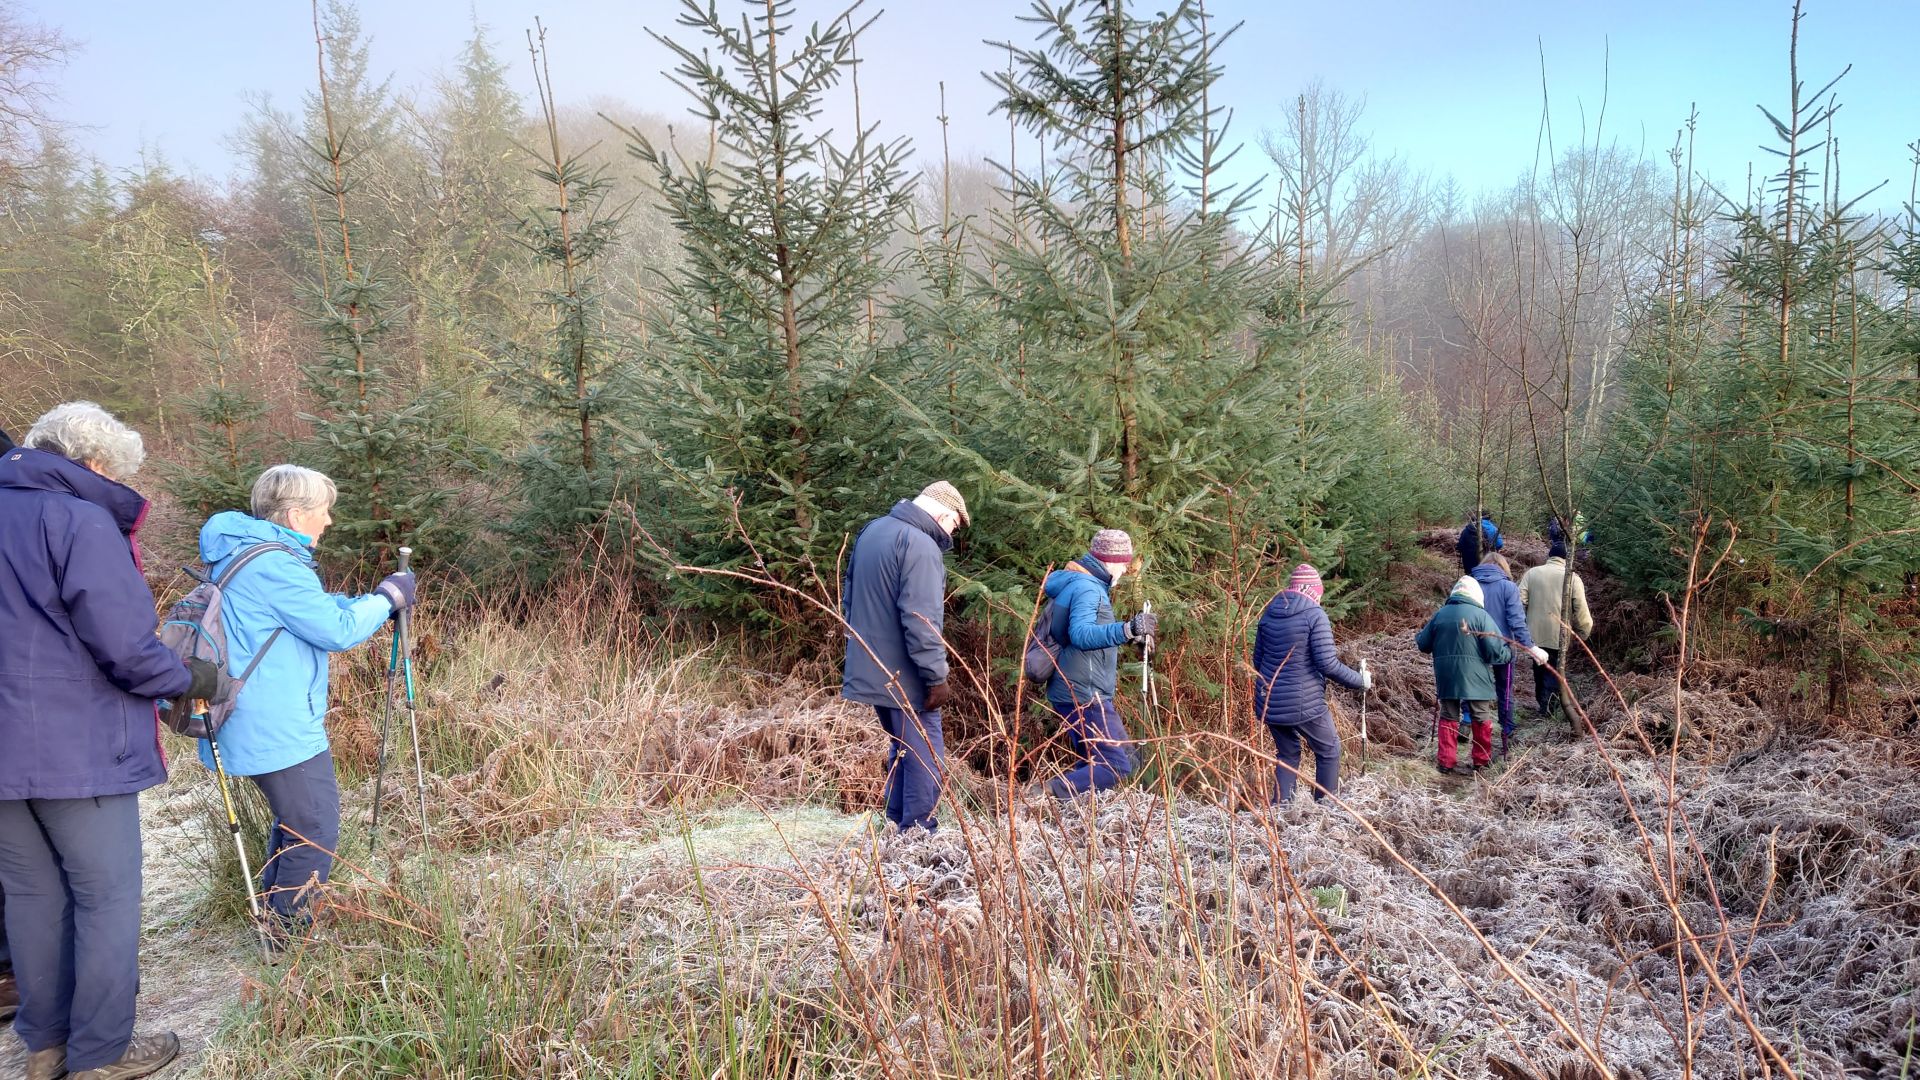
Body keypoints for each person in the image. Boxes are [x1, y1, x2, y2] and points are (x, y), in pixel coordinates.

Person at [0, 403, 220, 1080]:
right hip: (77, 750)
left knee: (33, 901)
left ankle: (46, 1046)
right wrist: (187, 675)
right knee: (106, 897)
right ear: (92, 464)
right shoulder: (78, 519)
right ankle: (101, 1052)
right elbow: (123, 645)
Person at [195, 465, 417, 933]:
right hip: (274, 725)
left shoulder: (247, 551)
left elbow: (299, 614)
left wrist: (361, 601)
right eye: (324, 511)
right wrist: (387, 598)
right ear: (296, 516)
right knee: (314, 827)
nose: (330, 521)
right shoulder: (274, 564)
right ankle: (288, 937)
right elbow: (335, 631)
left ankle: (277, 922)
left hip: (251, 716)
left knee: (295, 821)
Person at [840, 481, 969, 831]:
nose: (950, 536)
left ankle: (898, 825)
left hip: (873, 666)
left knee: (902, 749)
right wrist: (936, 677)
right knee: (926, 756)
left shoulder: (873, 531)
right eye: (953, 526)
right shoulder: (921, 546)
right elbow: (921, 619)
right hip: (906, 674)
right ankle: (918, 835)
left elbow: (848, 599)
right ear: (942, 513)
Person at [1036, 529, 1156, 799]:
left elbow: (1087, 633)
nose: (1126, 570)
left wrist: (1132, 635)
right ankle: (1043, 795)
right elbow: (1081, 634)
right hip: (1084, 694)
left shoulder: (1081, 583)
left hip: (1074, 689)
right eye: (1124, 563)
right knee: (1116, 764)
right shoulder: (1088, 589)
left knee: (1091, 764)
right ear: (1109, 560)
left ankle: (1073, 823)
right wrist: (1127, 629)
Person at [1250, 564, 1371, 805]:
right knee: (1329, 750)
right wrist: (1360, 681)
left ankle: (1280, 814)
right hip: (1303, 703)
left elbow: (1257, 660)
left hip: (1268, 702)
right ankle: (1325, 810)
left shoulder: (1270, 612)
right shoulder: (1315, 615)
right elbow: (1327, 664)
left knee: (1287, 754)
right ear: (1312, 590)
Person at [1415, 575, 1512, 775]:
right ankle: (1481, 760)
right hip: (1476, 676)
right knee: (1480, 716)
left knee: (1448, 715)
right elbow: (1494, 652)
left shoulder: (1440, 614)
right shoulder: (1481, 616)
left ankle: (1446, 762)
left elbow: (1422, 644)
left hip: (1446, 675)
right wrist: (1509, 653)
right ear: (1476, 595)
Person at [1469, 552, 1551, 754]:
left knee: (1471, 685)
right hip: (1503, 646)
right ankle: (1507, 728)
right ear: (1503, 568)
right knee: (1505, 688)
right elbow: (1516, 621)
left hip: (1473, 644)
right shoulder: (1508, 587)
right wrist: (1530, 646)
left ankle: (1466, 721)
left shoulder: (1469, 584)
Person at [1519, 539, 1594, 719]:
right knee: (1554, 670)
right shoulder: (1572, 578)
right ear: (1567, 559)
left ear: (1549, 556)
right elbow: (1582, 610)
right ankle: (1549, 708)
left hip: (1533, 635)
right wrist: (1584, 633)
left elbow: (1519, 601)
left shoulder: (1532, 573)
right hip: (1559, 636)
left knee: (1539, 669)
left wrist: (1521, 626)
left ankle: (1542, 704)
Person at [1456, 509, 1504, 574]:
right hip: (1486, 559)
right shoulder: (1494, 529)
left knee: (1470, 575)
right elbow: (1499, 544)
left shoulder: (1469, 528)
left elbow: (1460, 546)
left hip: (1468, 560)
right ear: (1490, 518)